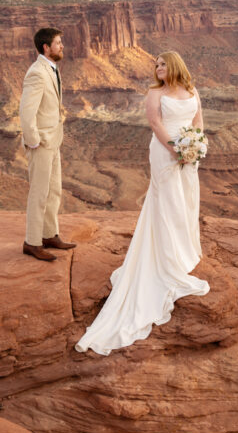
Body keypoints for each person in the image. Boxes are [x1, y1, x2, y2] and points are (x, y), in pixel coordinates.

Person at [75, 50, 209, 354]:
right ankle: (166, 260)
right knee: (168, 204)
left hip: (189, 154)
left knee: (186, 202)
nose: (158, 68)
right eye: (156, 65)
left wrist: (196, 144)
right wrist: (176, 148)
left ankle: (182, 254)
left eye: (162, 64)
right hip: (165, 152)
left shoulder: (191, 90)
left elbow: (198, 119)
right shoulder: (154, 93)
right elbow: (156, 123)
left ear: (174, 65)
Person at [19, 27, 76, 261]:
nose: (62, 46)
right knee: (39, 193)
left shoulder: (51, 68)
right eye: (58, 43)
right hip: (42, 143)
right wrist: (34, 141)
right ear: (46, 47)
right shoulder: (37, 73)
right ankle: (32, 242)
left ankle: (49, 234)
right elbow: (26, 112)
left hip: (53, 140)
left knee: (53, 191)